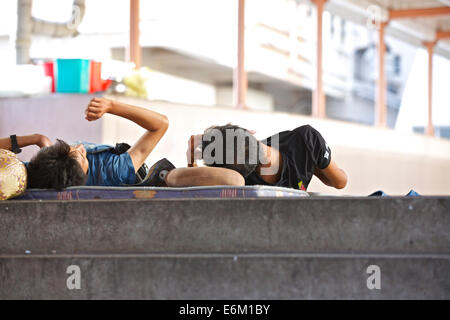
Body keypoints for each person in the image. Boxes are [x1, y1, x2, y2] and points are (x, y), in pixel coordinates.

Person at [0, 98, 244, 190]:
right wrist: (112, 106)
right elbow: (161, 124)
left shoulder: (40, 174)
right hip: (153, 178)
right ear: (80, 174)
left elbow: (42, 144)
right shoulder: (114, 170)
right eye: (81, 156)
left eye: (72, 147)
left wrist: (34, 139)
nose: (81, 148)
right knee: (234, 180)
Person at [188, 123, 347, 191]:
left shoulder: (241, 183)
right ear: (250, 132)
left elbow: (194, 186)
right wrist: (314, 161)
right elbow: (340, 181)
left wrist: (191, 162)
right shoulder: (306, 140)